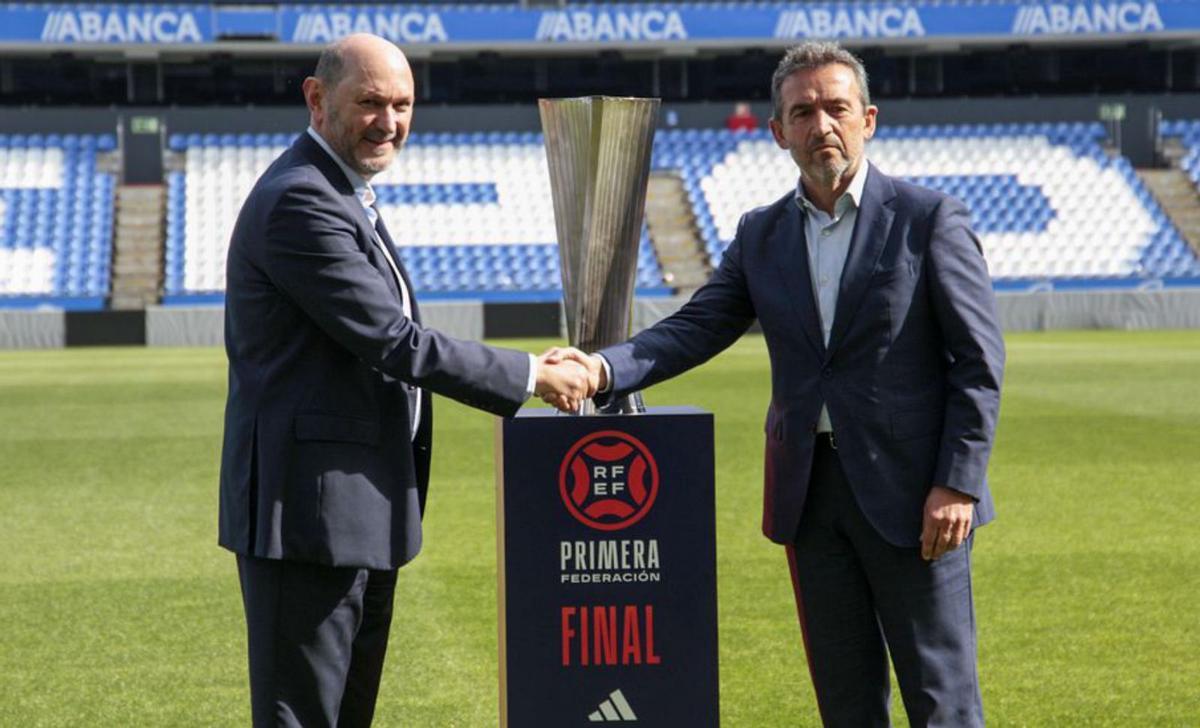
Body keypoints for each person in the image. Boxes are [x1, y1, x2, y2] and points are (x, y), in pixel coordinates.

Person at [574, 42, 1005, 726]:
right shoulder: (761, 234)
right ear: (778, 132)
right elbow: (695, 328)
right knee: (844, 702)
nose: (821, 124)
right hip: (812, 500)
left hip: (916, 495)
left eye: (836, 108)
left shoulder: (929, 220)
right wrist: (602, 368)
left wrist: (958, 483)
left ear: (868, 119)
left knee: (942, 700)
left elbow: (979, 363)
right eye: (802, 112)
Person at [219, 33, 590, 727]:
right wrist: (530, 375)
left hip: (357, 513)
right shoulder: (302, 199)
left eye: (402, 104)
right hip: (307, 520)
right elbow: (393, 340)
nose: (389, 122)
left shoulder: (344, 193)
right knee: (303, 716)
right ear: (316, 97)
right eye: (369, 102)